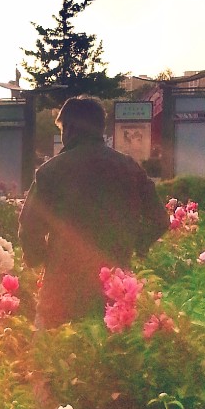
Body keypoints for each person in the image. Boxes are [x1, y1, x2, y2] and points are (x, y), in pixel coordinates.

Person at [19, 96, 168, 327]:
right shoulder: (129, 168)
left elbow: (29, 228)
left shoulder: (51, 171)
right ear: (99, 128)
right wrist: (134, 244)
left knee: (49, 356)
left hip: (62, 286)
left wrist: (40, 257)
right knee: (109, 356)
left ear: (68, 129)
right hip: (112, 288)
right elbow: (159, 219)